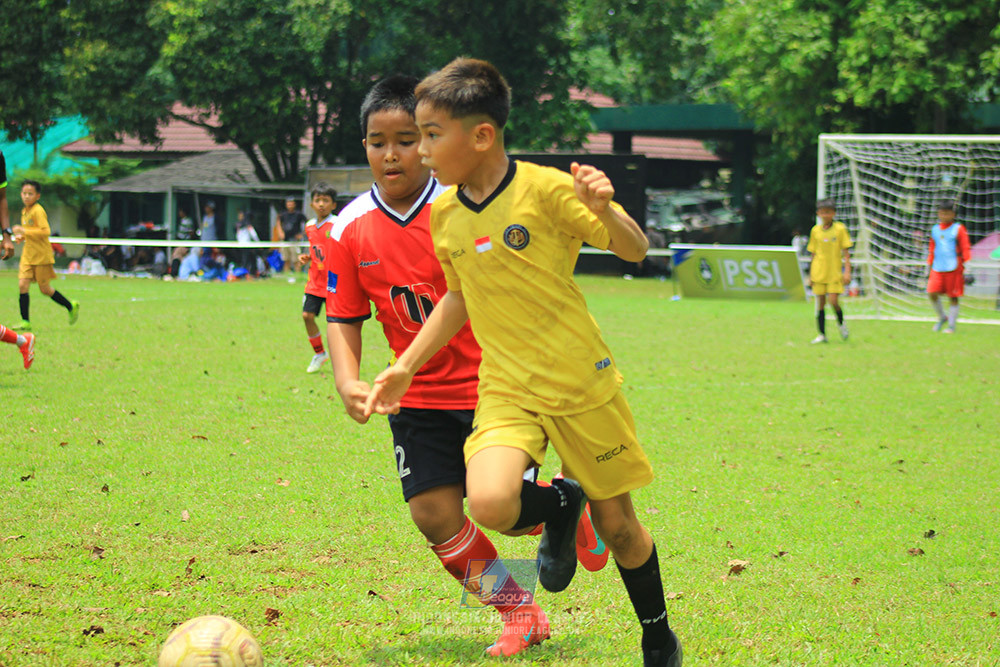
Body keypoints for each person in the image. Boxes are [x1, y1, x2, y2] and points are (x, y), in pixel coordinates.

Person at [365, 59, 681, 667]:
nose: (422, 150)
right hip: (507, 387)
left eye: (432, 134)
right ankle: (562, 505)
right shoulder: (447, 212)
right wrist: (406, 365)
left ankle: (657, 636)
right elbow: (458, 296)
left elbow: (636, 250)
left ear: (481, 135)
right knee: (488, 502)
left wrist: (607, 208)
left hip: (580, 383)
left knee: (619, 530)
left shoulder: (546, 189)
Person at [327, 74, 592, 657]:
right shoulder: (345, 229)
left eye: (407, 139)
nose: (392, 154)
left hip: (493, 388)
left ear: (430, 143)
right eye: (377, 141)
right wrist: (348, 379)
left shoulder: (461, 210)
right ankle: (519, 612)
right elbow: (343, 314)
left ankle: (564, 503)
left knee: (499, 509)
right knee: (433, 514)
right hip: (416, 397)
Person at [11, 180, 80, 331]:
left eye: (30, 194)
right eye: (24, 193)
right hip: (28, 255)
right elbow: (30, 232)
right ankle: (25, 321)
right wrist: (20, 237)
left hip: (41, 256)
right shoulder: (25, 211)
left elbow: (45, 231)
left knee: (45, 289)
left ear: (38, 196)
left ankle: (70, 306)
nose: (26, 196)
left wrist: (24, 231)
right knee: (22, 284)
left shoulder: (38, 210)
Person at [298, 182, 336, 373]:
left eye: (326, 200)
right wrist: (306, 257)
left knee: (335, 324)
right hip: (314, 280)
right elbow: (316, 250)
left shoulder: (338, 224)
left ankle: (339, 359)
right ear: (312, 204)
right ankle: (320, 353)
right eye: (317, 200)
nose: (321, 204)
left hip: (333, 282)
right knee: (307, 316)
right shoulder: (310, 226)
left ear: (333, 205)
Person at [806, 199, 852, 344]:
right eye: (822, 212)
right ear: (818, 213)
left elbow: (846, 253)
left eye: (828, 212)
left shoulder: (840, 229)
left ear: (833, 213)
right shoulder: (815, 231)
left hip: (834, 272)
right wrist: (810, 274)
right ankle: (822, 334)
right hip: (819, 271)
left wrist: (847, 272)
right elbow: (813, 253)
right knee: (820, 302)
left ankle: (841, 324)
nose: (825, 215)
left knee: (833, 301)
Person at [927, 199, 971, 333]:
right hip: (937, 267)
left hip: (954, 267)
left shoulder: (958, 229)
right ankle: (942, 317)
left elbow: (965, 248)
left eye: (947, 213)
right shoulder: (935, 229)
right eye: (942, 213)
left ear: (953, 214)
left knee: (953, 296)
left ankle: (951, 325)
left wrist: (968, 267)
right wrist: (928, 266)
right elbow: (932, 249)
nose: (944, 216)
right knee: (931, 292)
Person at [276, 197, 307, 272]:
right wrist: (280, 232)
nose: (290, 205)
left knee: (296, 260)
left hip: (295, 240)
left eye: (291, 203)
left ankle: (298, 274)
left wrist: (302, 234)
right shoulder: (283, 214)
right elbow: (278, 222)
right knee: (286, 259)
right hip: (285, 240)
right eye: (288, 203)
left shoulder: (299, 214)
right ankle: (287, 275)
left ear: (294, 204)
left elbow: (307, 223)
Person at [235, 209, 261, 275]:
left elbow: (253, 233)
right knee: (245, 260)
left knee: (248, 259)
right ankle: (245, 274)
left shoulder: (245, 224)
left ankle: (250, 273)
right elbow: (238, 235)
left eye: (241, 215)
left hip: (247, 244)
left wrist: (258, 242)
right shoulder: (239, 224)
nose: (239, 217)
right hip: (243, 245)